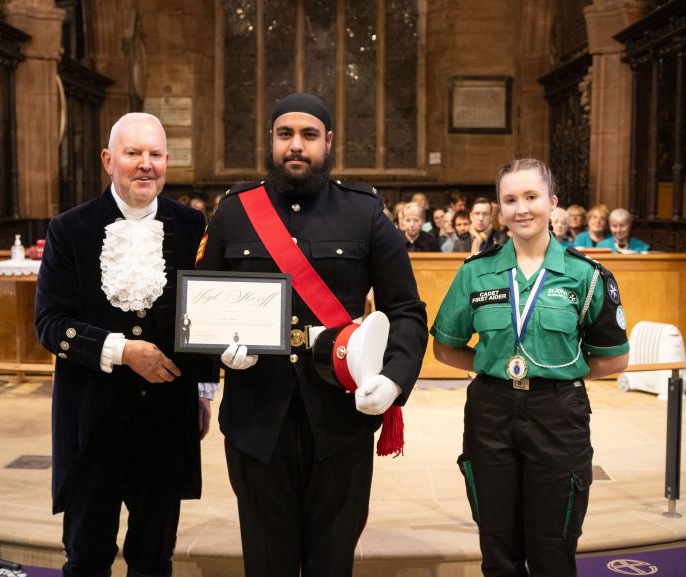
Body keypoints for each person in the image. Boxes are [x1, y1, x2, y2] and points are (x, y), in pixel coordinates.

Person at [195, 92, 428, 577]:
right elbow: (201, 305)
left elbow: (405, 309)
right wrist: (221, 351)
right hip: (257, 420)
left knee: (331, 561)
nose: (296, 146)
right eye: (285, 135)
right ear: (271, 141)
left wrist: (394, 379)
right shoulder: (236, 211)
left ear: (329, 142)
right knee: (266, 561)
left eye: (308, 135)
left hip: (340, 417)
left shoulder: (363, 212)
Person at [35, 113, 216, 577]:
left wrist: (203, 390)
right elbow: (50, 324)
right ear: (108, 160)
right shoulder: (69, 228)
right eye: (133, 153)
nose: (145, 165)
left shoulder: (192, 225)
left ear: (167, 162)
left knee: (154, 557)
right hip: (91, 419)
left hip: (165, 420)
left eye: (155, 154)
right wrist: (121, 351)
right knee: (87, 554)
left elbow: (206, 312)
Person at [431, 158, 629, 577]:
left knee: (553, 551)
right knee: (498, 551)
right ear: (500, 208)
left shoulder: (585, 275)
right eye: (510, 199)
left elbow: (614, 357)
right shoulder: (476, 273)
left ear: (552, 202)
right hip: (491, 412)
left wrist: (560, 372)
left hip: (558, 414)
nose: (521, 208)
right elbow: (446, 349)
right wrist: (495, 365)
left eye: (531, 197)